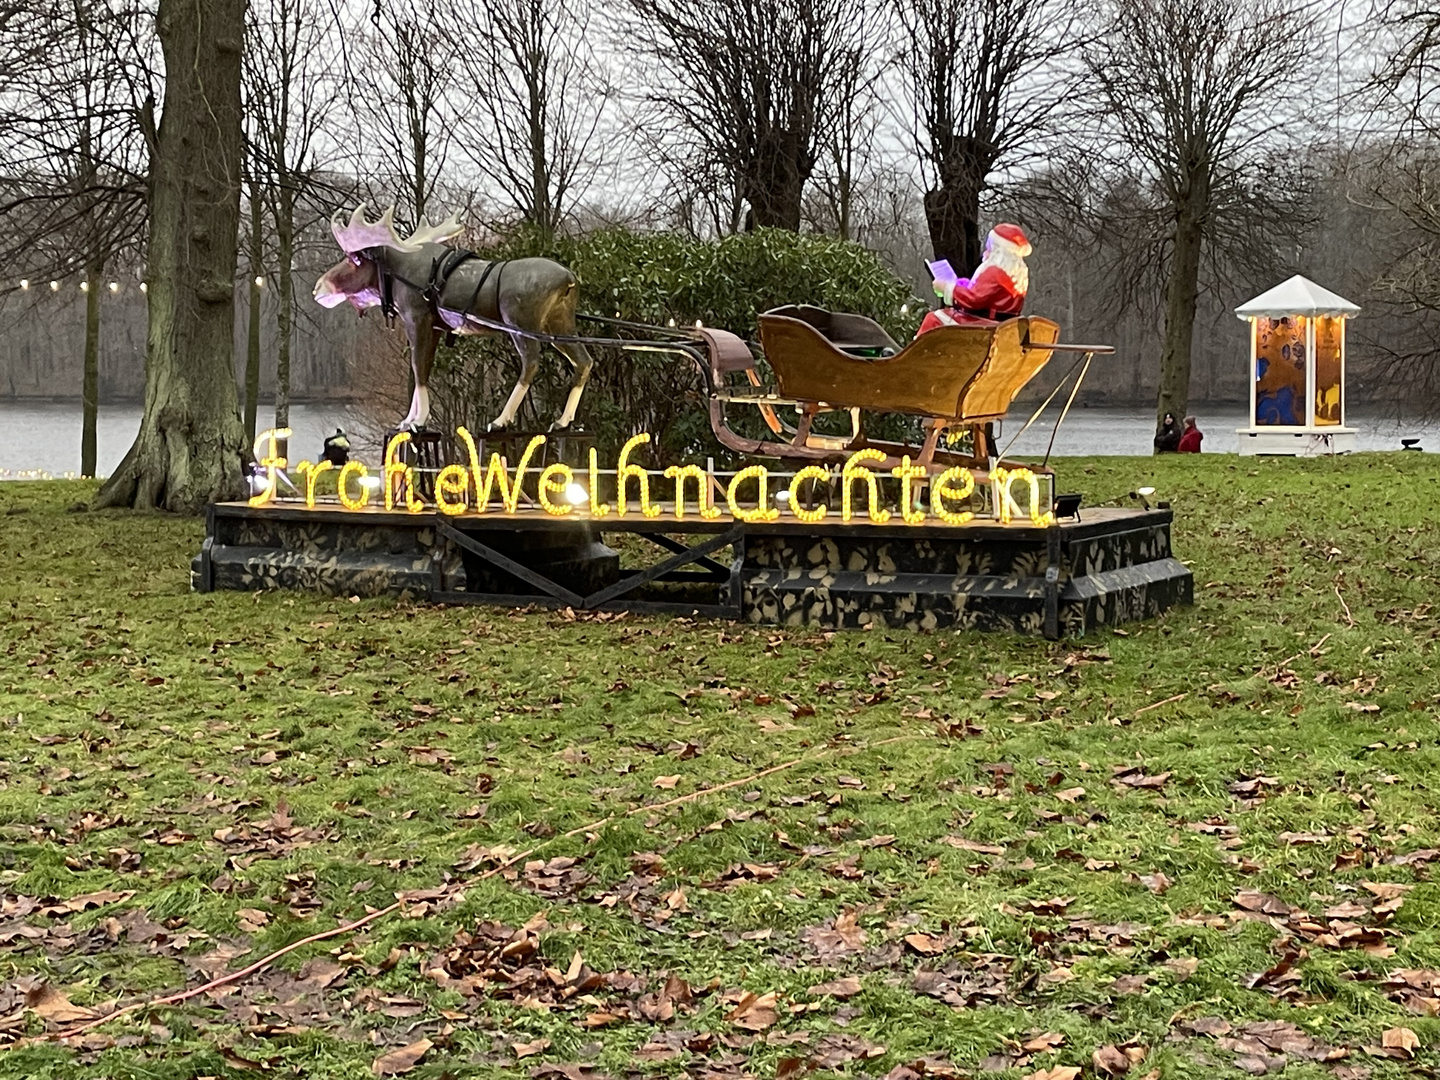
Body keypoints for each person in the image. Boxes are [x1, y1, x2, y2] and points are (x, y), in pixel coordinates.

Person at [916, 224, 1031, 336]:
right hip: (1003, 324)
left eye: (989, 248)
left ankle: (919, 352)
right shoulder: (1016, 273)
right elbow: (986, 293)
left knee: (934, 318)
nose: (986, 252)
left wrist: (947, 288)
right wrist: (963, 284)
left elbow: (973, 299)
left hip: (984, 324)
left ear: (998, 250)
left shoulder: (994, 271)